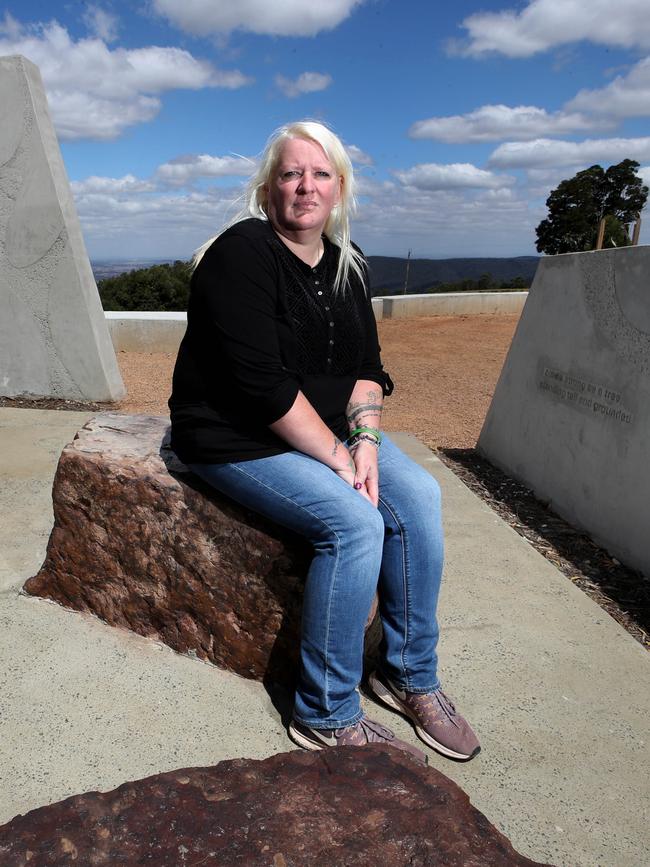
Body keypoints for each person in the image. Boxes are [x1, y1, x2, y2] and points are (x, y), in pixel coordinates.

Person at [169, 120, 479, 763]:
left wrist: (365, 441)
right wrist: (343, 465)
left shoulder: (346, 263)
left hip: (327, 429)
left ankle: (409, 675)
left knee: (418, 497)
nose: (304, 187)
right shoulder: (242, 254)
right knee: (355, 524)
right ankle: (326, 712)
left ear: (339, 189)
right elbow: (262, 388)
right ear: (267, 188)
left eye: (320, 175)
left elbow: (369, 366)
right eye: (290, 174)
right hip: (235, 436)